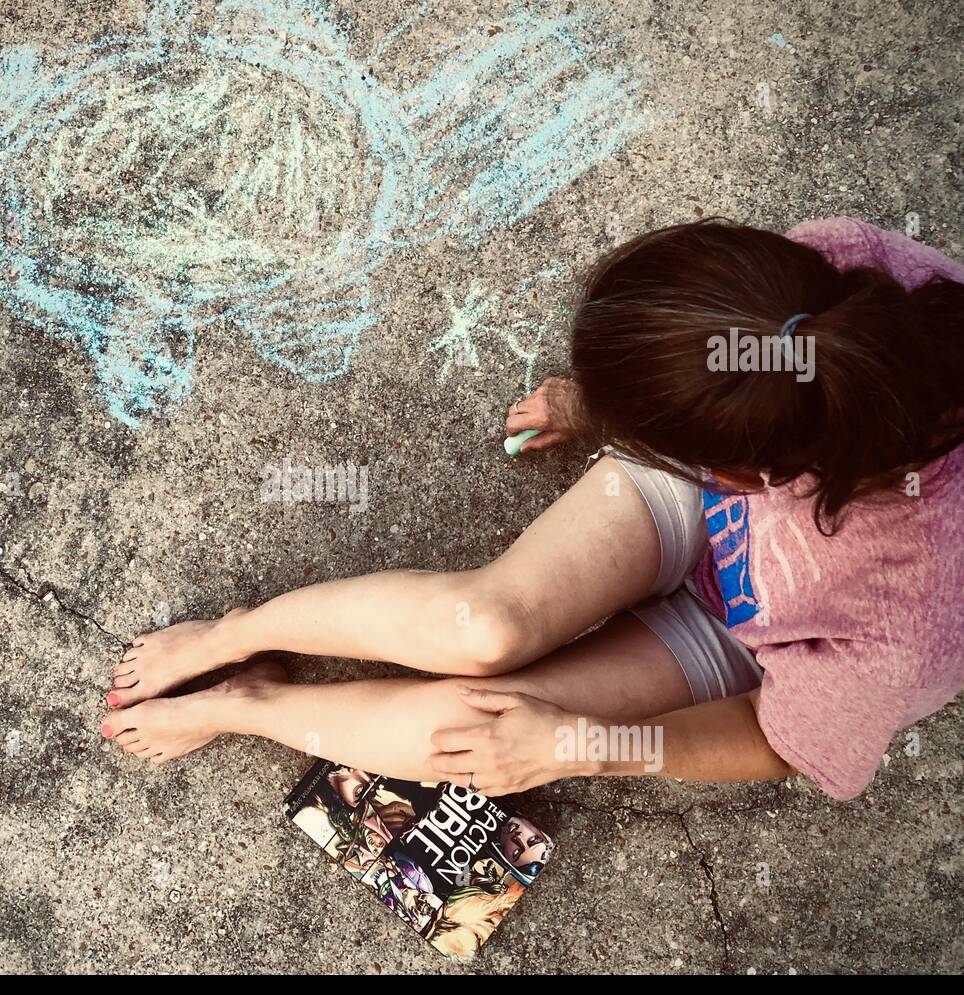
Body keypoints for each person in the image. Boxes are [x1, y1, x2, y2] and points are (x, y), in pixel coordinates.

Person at [101, 218, 964, 801]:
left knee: (468, 736)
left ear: (743, 468)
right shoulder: (821, 302)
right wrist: (608, 397)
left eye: (645, 428)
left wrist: (581, 746)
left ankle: (244, 706)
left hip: (750, 634)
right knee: (481, 623)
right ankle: (236, 635)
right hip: (738, 488)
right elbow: (719, 353)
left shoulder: (903, 612)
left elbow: (776, 741)